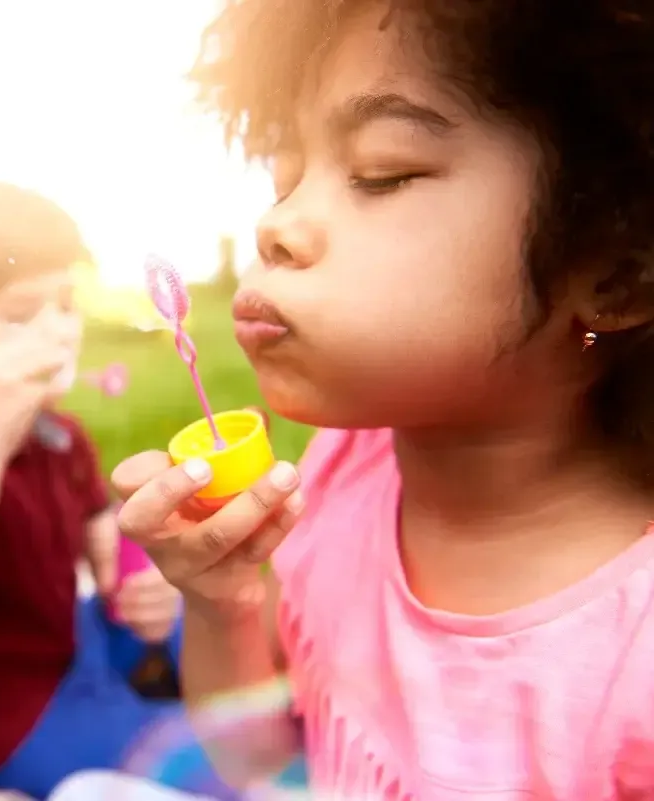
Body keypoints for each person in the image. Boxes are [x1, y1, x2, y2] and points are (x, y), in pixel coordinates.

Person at [107, 0, 654, 798]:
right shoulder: (344, 469)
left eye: (381, 173)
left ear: (614, 274)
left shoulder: (633, 655)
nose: (280, 225)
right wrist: (221, 601)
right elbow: (256, 764)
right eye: (286, 178)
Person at [0, 182, 223, 800]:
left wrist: (142, 588)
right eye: (19, 311)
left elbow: (106, 553)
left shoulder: (63, 437)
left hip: (72, 645)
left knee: (200, 625)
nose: (59, 330)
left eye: (65, 304)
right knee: (206, 763)